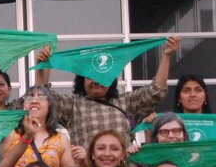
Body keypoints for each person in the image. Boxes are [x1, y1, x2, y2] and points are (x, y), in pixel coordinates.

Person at [31, 36, 180, 149]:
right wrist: (43, 67)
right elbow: (43, 99)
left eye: (100, 76)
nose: (95, 81)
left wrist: (166, 56)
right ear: (81, 80)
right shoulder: (72, 105)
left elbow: (156, 92)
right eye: (90, 76)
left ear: (111, 79)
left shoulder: (126, 102)